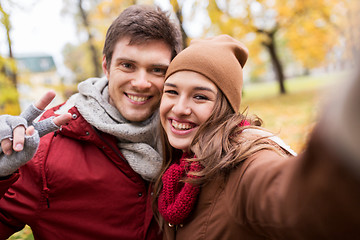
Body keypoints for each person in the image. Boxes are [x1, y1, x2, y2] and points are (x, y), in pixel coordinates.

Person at [0, 4, 182, 239]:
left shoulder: (187, 139)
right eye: (127, 65)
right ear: (106, 66)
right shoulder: (42, 145)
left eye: (157, 70)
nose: (141, 83)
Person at [153, 35, 360, 239]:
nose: (179, 108)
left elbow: (304, 204)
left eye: (200, 96)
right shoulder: (176, 164)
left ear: (226, 108)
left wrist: (347, 138)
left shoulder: (243, 166)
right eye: (172, 91)